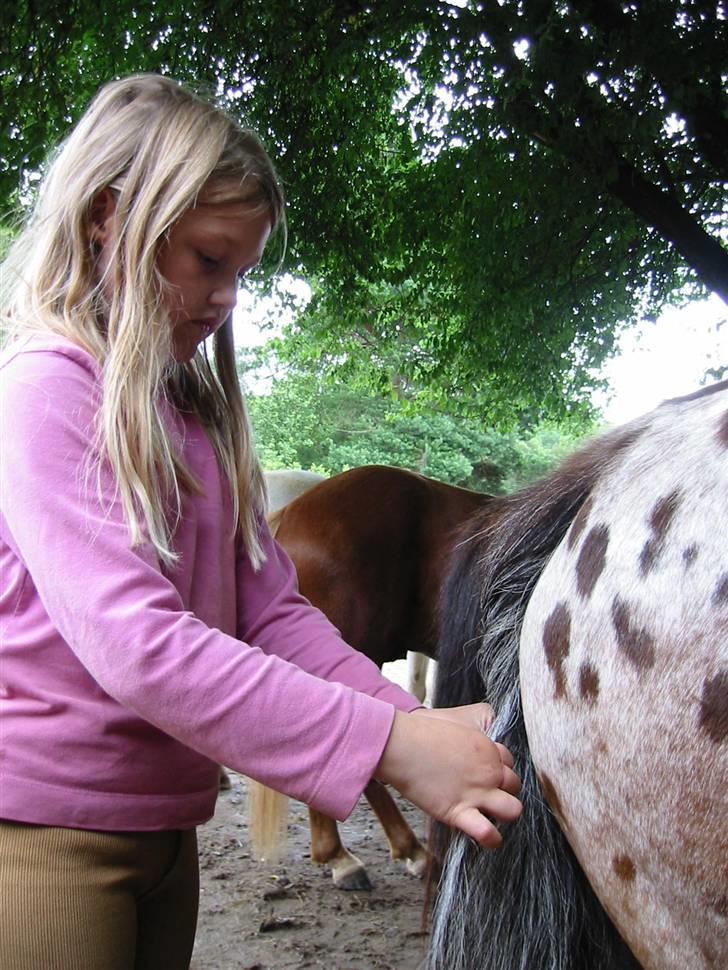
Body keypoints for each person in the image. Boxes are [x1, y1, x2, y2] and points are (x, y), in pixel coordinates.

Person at [0, 73, 521, 969]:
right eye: (208, 260)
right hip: (47, 838)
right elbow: (139, 646)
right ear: (108, 218)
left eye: (242, 273)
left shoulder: (193, 418)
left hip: (167, 831)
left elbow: (276, 616)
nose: (228, 298)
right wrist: (393, 746)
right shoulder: (47, 390)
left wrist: (414, 725)